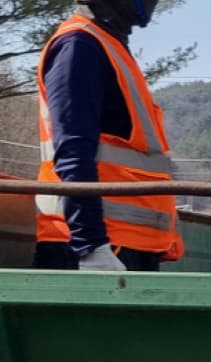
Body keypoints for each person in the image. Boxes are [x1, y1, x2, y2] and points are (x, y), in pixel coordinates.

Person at [33, 0, 182, 271]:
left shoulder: (109, 45)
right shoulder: (79, 44)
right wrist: (90, 246)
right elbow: (73, 149)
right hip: (94, 246)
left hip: (125, 245)